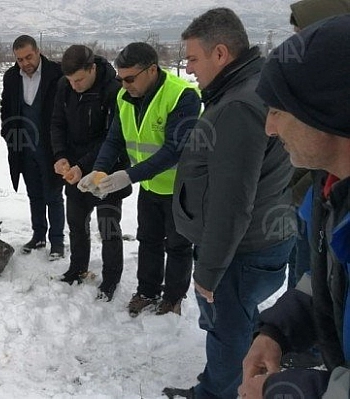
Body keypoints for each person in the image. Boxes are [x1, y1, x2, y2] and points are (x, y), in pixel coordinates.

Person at [163, 8, 295, 399]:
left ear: (220, 53)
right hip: (257, 238)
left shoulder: (238, 105)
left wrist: (209, 270)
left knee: (226, 331)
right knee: (237, 322)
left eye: (193, 58)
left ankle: (217, 394)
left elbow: (231, 200)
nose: (188, 68)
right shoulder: (248, 86)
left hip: (242, 248)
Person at [238, 15, 350, 399]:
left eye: (278, 110)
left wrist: (292, 389)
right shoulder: (330, 190)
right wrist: (278, 329)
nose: (269, 128)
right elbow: (331, 279)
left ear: (329, 111)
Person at [78, 42, 201, 316]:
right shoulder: (124, 98)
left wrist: (128, 176)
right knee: (149, 239)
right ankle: (147, 290)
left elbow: (175, 149)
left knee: (179, 245)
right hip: (150, 185)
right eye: (120, 79)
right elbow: (114, 139)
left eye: (130, 78)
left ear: (152, 70)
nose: (124, 85)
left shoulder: (182, 96)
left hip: (181, 187)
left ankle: (173, 297)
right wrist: (99, 170)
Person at [50, 44, 130, 301]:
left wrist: (84, 165)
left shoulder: (114, 90)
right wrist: (60, 155)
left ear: (92, 68)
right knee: (76, 223)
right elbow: (57, 123)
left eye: (80, 80)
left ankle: (111, 278)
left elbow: (112, 138)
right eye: (71, 81)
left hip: (107, 171)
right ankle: (77, 268)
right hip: (74, 170)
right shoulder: (65, 87)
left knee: (108, 226)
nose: (75, 86)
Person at [1, 35, 65, 260]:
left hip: (51, 148)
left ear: (38, 51)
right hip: (24, 148)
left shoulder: (57, 74)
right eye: (20, 59)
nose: (25, 63)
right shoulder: (10, 77)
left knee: (54, 194)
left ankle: (57, 242)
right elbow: (7, 110)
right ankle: (38, 236)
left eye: (28, 56)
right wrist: (10, 136)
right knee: (34, 194)